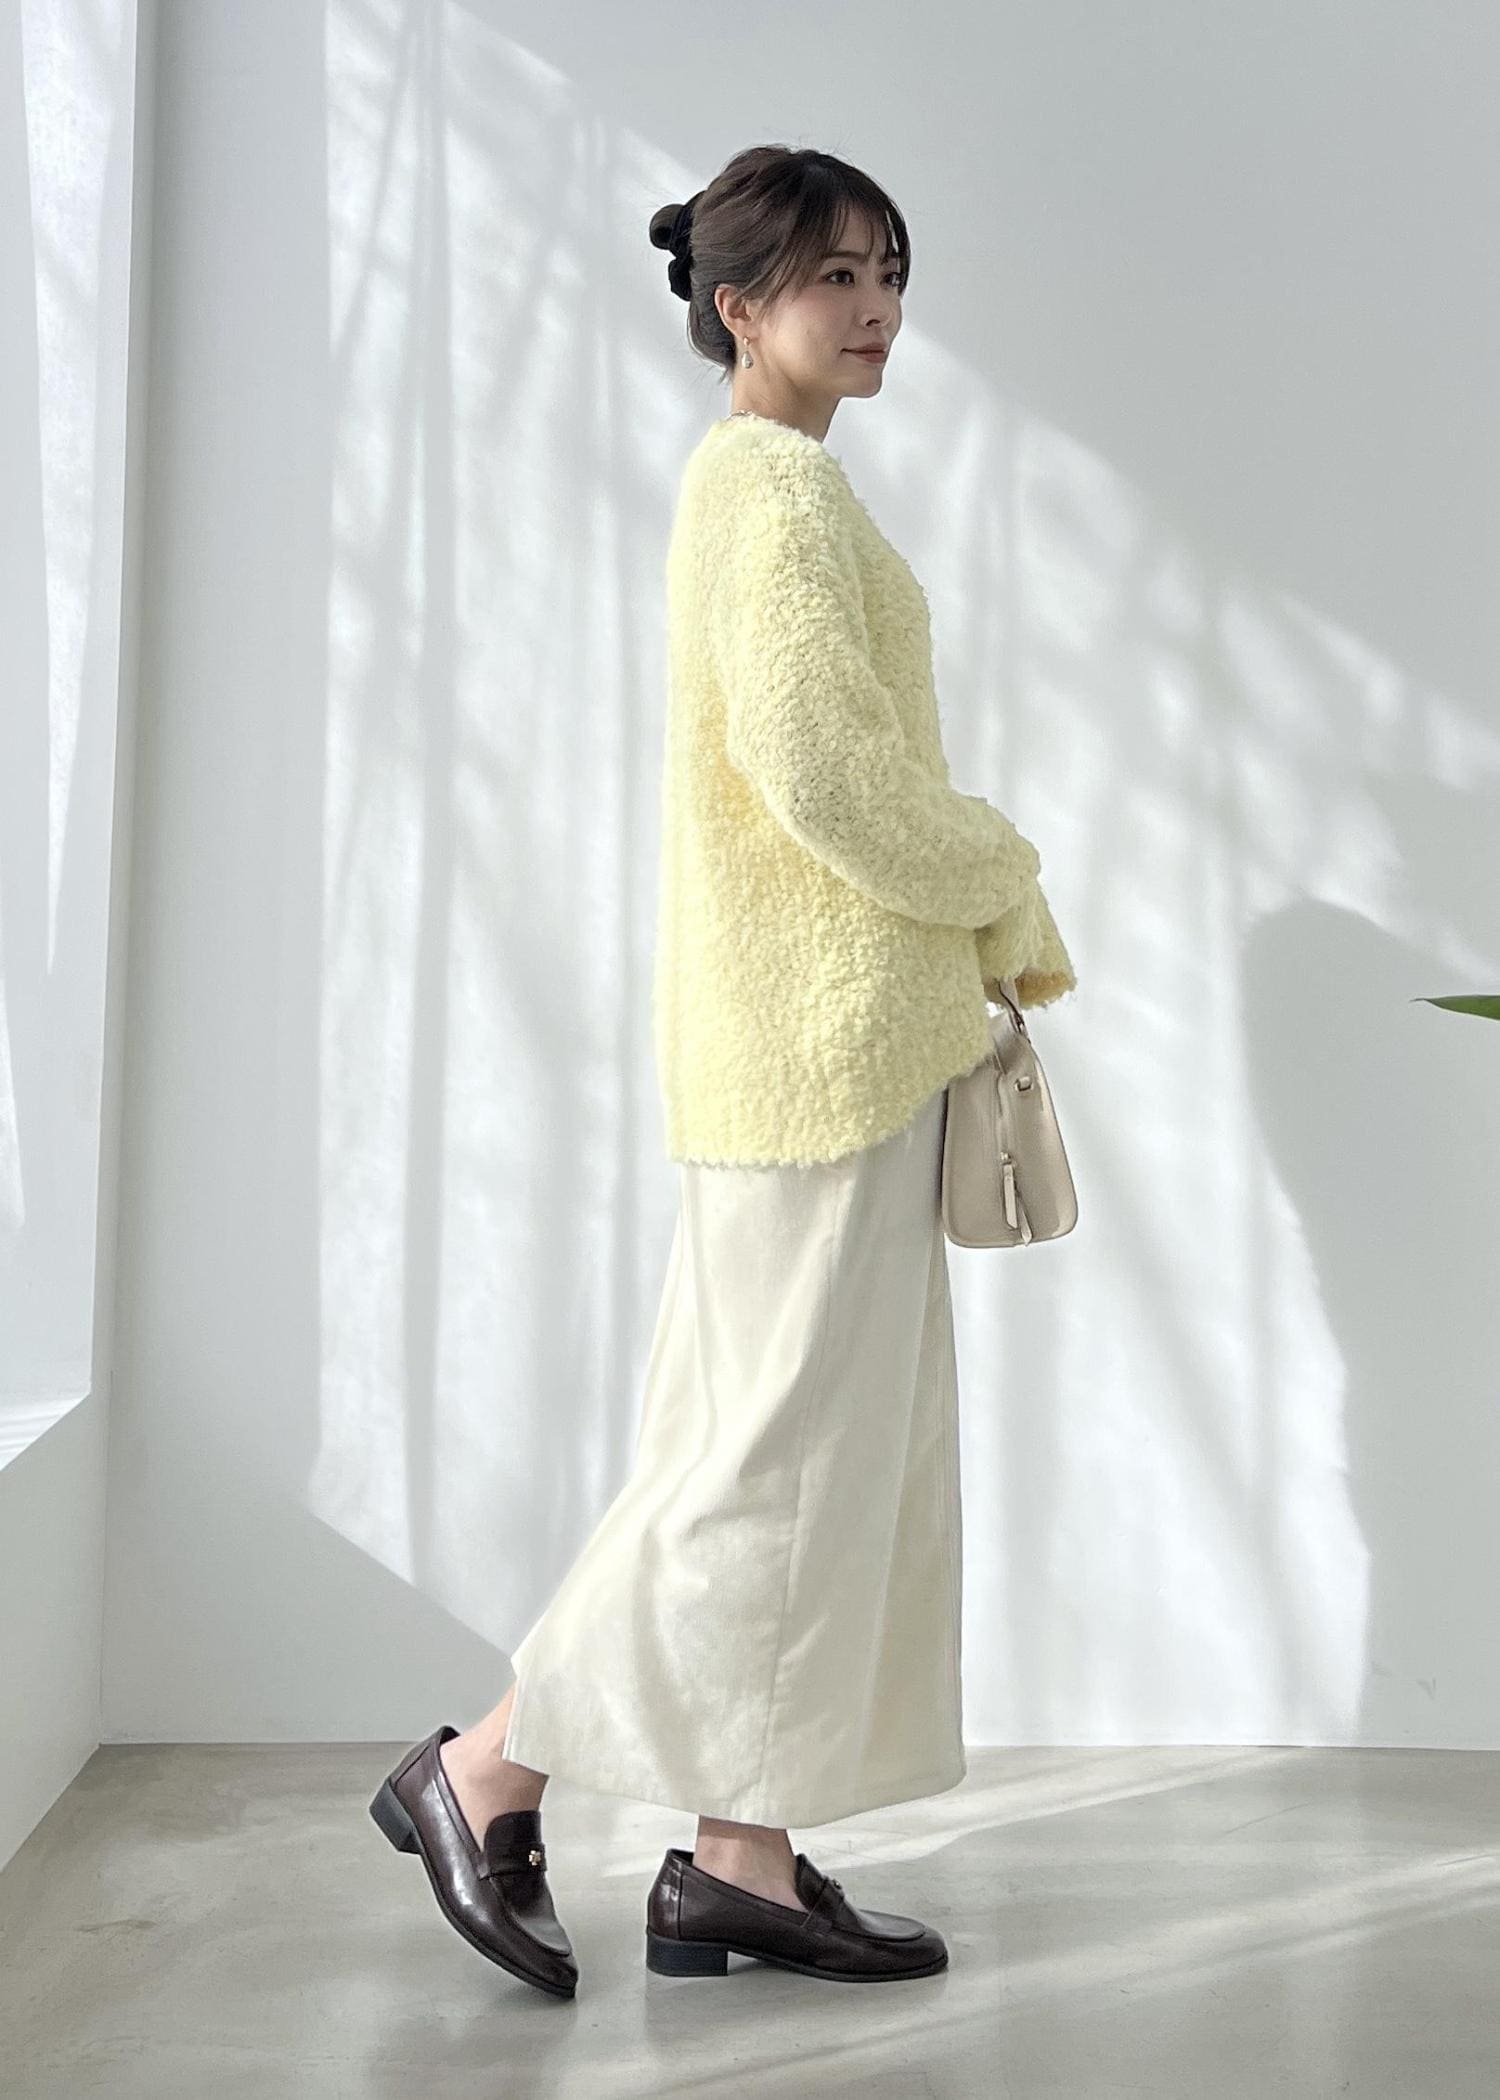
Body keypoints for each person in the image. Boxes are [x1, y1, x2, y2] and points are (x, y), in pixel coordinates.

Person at [369, 143, 1076, 1998]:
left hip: (813, 1049)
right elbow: (825, 776)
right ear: (736, 305)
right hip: (821, 1056)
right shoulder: (772, 493)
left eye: (892, 272)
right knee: (759, 1469)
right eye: (836, 277)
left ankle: (738, 1859)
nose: (877, 308)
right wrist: (1006, 868)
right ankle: (482, 1768)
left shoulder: (774, 487)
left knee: (785, 1462)